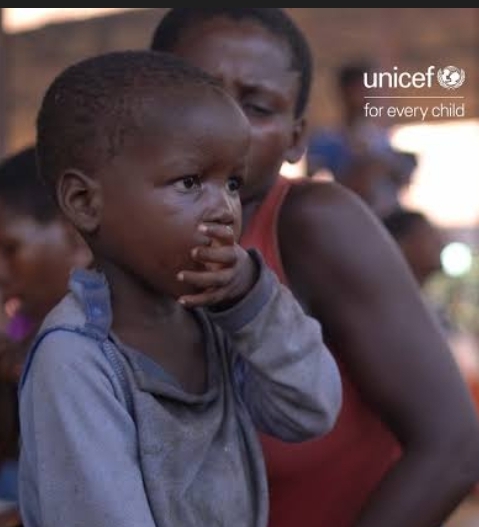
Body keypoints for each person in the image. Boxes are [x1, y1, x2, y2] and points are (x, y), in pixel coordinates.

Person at [150, 8, 479, 527]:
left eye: (257, 107)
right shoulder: (115, 244)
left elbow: (454, 447)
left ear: (295, 138)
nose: (225, 125)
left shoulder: (313, 225)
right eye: (196, 96)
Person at [17, 49, 342, 527]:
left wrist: (253, 301)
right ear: (85, 202)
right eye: (190, 182)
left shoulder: (216, 324)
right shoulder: (75, 360)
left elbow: (309, 411)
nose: (224, 209)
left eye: (232, 184)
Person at [0, 146, 91, 504]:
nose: (1, 273)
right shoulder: (23, 327)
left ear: (76, 237)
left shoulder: (114, 338)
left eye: (10, 249)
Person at [306, 60, 417, 217]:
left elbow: (403, 179)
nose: (368, 97)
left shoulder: (381, 138)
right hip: (349, 215)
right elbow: (310, 183)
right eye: (361, 90)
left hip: (388, 218)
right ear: (345, 92)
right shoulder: (326, 140)